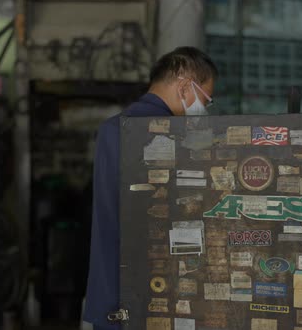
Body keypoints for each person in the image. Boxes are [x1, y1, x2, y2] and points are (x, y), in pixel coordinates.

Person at [83, 46, 218, 329]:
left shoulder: (111, 129)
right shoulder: (179, 136)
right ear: (184, 87)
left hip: (109, 292)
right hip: (158, 295)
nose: (204, 108)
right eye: (206, 98)